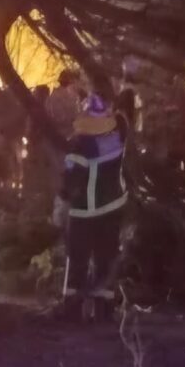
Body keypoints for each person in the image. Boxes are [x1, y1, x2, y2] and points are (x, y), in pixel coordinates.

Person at [54, 94, 129, 323]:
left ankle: (72, 309)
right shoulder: (116, 137)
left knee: (78, 257)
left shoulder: (80, 144)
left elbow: (72, 178)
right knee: (106, 257)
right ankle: (104, 310)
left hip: (85, 210)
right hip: (114, 206)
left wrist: (61, 203)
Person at [47, 69, 85, 141]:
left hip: (75, 135)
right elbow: (60, 119)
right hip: (67, 138)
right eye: (76, 83)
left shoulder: (73, 96)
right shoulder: (56, 99)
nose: (79, 86)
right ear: (71, 83)